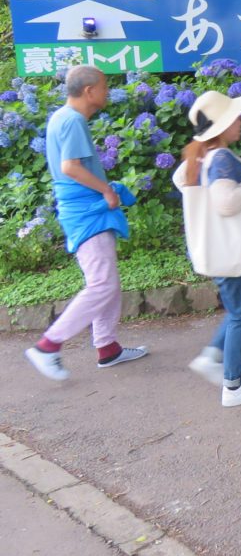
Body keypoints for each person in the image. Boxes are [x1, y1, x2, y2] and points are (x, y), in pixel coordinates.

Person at [24, 65, 148, 381]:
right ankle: (47, 346)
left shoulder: (62, 117)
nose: (108, 92)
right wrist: (106, 190)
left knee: (107, 282)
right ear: (89, 91)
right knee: (102, 284)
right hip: (85, 211)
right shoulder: (73, 120)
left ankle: (108, 348)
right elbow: (70, 167)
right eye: (105, 87)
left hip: (82, 209)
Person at [174, 89, 241, 408]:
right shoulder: (220, 159)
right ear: (222, 126)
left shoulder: (204, 157)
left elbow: (180, 181)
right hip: (229, 251)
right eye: (235, 117)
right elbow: (226, 204)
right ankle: (234, 384)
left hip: (223, 250)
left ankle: (214, 356)